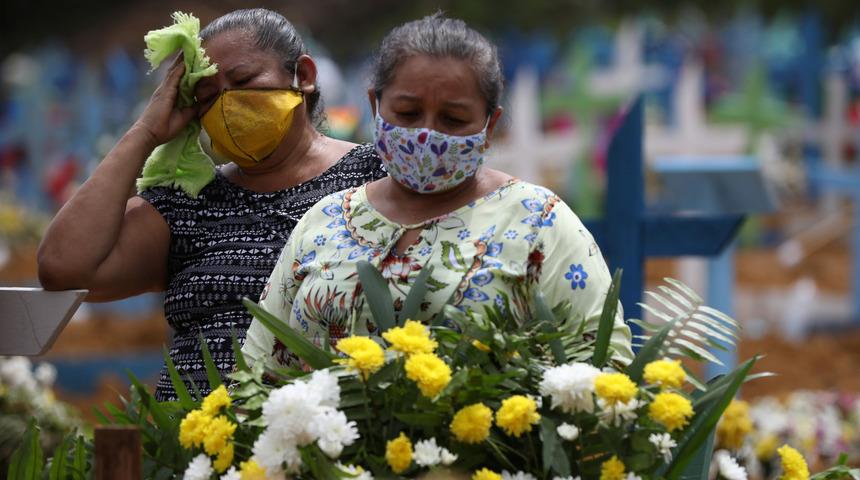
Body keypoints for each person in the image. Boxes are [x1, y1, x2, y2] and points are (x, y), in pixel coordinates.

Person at [242, 14, 633, 369]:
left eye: (453, 118)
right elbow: (260, 371)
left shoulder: (536, 220)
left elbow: (602, 366)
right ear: (375, 105)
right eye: (408, 114)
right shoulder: (324, 221)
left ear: (490, 124)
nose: (427, 134)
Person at [36, 9, 386, 400]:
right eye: (207, 97)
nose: (226, 104)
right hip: (194, 443)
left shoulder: (376, 177)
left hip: (329, 436)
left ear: (303, 76)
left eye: (243, 81)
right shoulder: (188, 205)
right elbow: (63, 267)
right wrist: (145, 132)